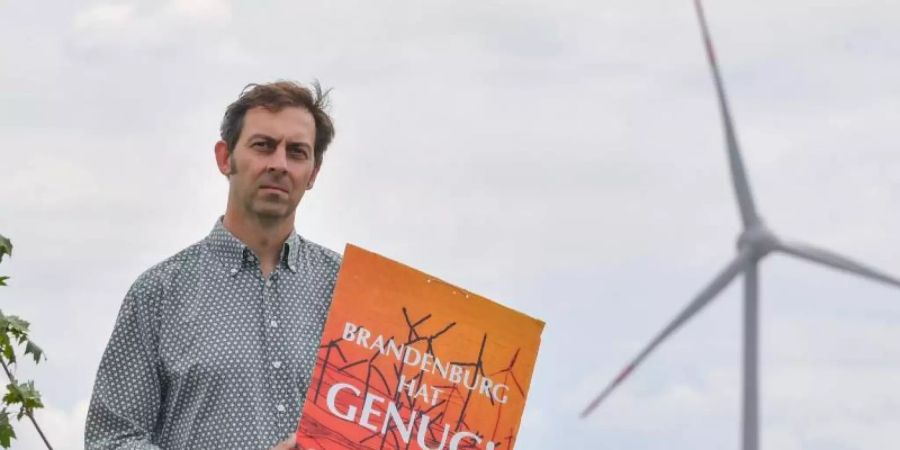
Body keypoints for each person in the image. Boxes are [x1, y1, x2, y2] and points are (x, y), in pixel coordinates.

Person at [85, 81, 341, 449]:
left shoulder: (352, 294)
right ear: (225, 158)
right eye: (263, 146)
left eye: (297, 152)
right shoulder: (159, 294)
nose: (279, 164)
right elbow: (110, 441)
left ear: (314, 172)